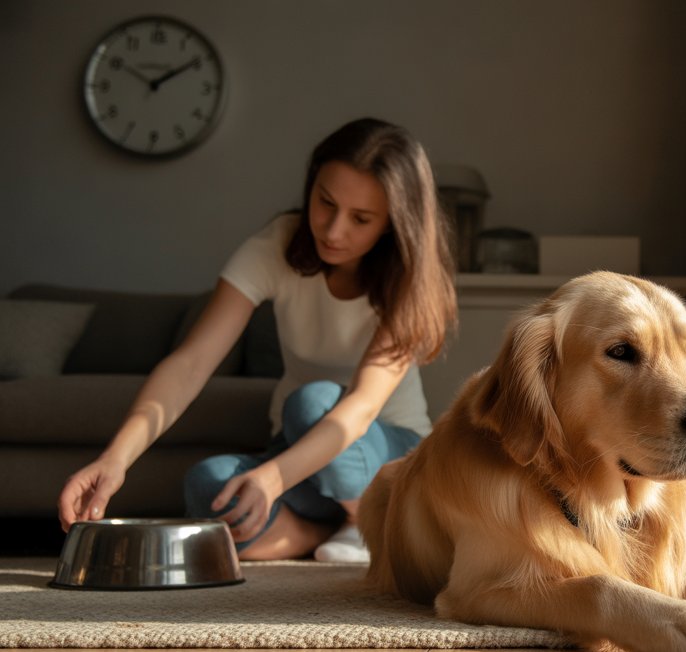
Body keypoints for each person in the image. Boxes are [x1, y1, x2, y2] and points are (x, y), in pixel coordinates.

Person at [57, 118, 457, 562]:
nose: (332, 230)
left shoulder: (408, 279)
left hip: (385, 455)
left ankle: (367, 520)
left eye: (361, 219)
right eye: (325, 202)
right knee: (208, 487)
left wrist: (273, 479)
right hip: (301, 450)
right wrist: (116, 460)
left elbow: (359, 410)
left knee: (310, 404)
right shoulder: (277, 246)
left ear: (391, 224)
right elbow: (191, 363)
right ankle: (318, 530)